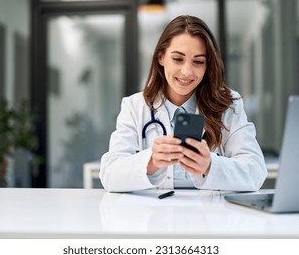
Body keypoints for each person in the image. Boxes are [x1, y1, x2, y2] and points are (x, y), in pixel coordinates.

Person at [100, 15, 267, 192]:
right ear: (161, 58)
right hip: (154, 216)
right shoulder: (135, 106)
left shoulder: (228, 105)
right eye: (178, 59)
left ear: (207, 65)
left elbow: (256, 172)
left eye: (198, 61)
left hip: (212, 216)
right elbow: (110, 175)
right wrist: (151, 161)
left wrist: (210, 165)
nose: (187, 72)